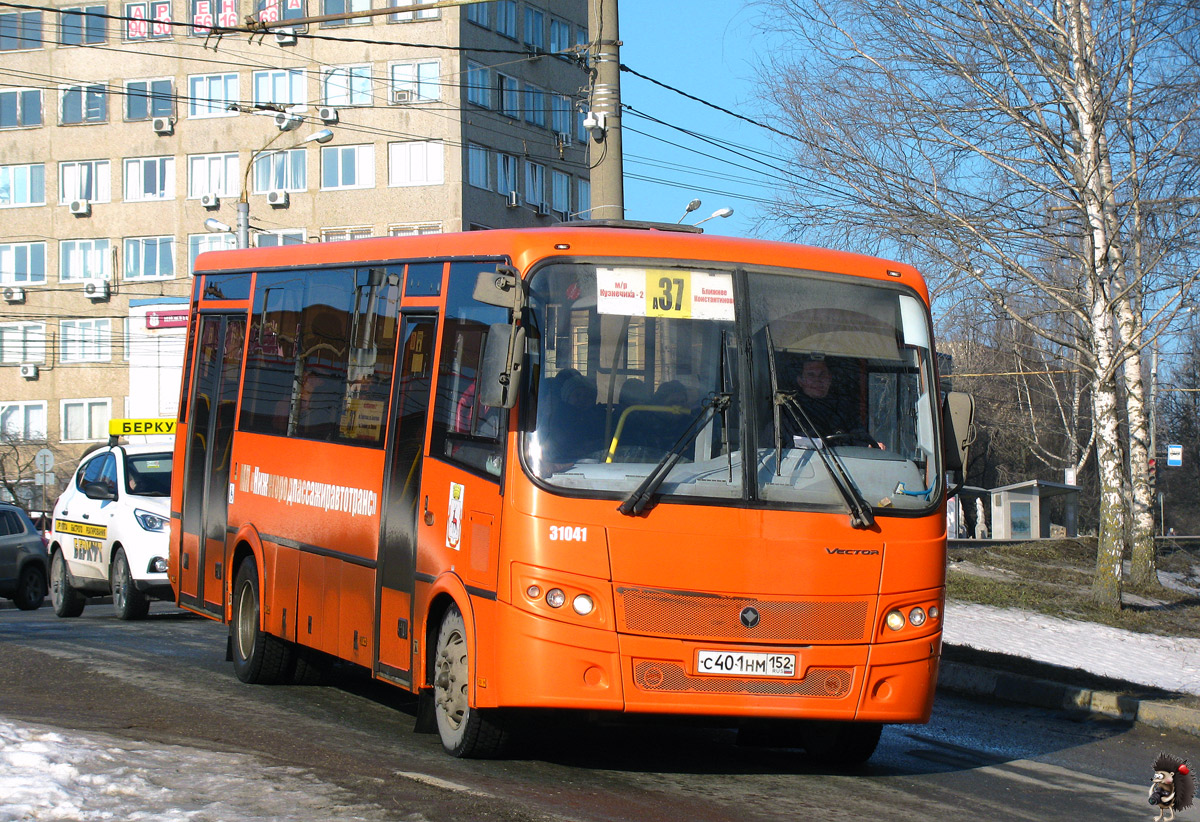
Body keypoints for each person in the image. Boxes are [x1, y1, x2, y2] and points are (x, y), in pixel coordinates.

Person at [785, 358, 866, 442]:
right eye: (811, 375)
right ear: (800, 381)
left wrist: (869, 444)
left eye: (822, 374)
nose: (817, 380)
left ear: (830, 378)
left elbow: (859, 436)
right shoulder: (788, 412)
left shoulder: (844, 410)